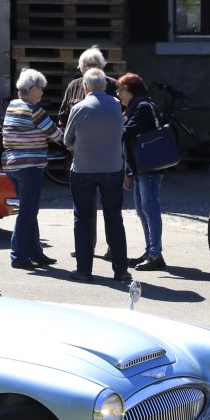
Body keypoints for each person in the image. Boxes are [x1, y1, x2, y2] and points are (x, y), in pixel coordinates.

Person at [63, 67, 131, 283]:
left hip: (83, 170)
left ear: (85, 87)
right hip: (112, 169)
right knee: (114, 218)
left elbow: (67, 140)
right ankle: (121, 270)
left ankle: (84, 270)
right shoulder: (116, 105)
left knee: (83, 219)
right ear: (104, 86)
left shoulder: (78, 108)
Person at [2, 67, 64, 269]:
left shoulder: (12, 105)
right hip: (29, 166)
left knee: (29, 210)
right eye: (42, 89)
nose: (43, 92)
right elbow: (57, 135)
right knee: (27, 213)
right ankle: (18, 256)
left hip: (12, 166)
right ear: (33, 89)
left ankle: (36, 253)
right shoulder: (34, 110)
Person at [117, 72, 166, 271]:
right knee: (142, 210)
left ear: (129, 89)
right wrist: (128, 172)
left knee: (150, 209)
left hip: (150, 167)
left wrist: (112, 124)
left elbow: (127, 133)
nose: (118, 94)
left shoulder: (144, 107)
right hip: (139, 167)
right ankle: (150, 251)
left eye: (120, 89)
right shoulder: (134, 108)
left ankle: (155, 255)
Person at [60, 45, 116, 126]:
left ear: (102, 66)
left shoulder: (113, 84)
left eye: (95, 65)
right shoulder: (73, 86)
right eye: (88, 65)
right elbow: (63, 115)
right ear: (81, 68)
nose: (91, 68)